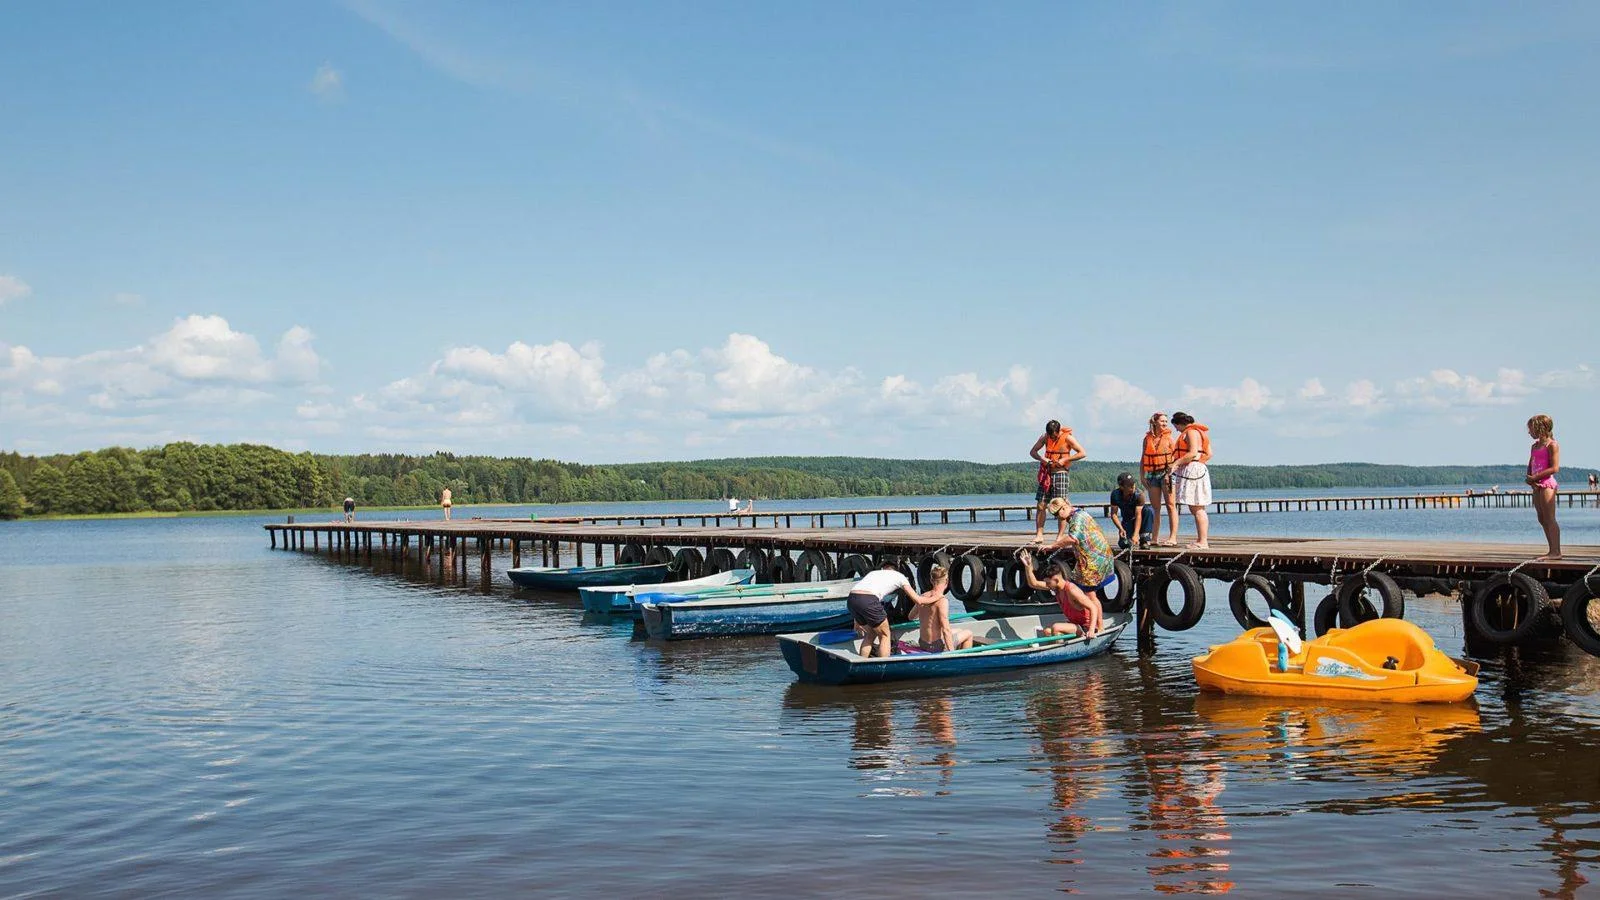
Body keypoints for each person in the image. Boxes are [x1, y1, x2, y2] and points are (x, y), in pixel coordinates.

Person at [1018, 498, 1109, 638]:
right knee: (1049, 631)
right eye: (1054, 516)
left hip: (1095, 558)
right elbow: (1033, 583)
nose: (1057, 518)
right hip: (1085, 559)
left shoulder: (1078, 518)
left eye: (1057, 514)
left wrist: (1053, 546)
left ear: (1065, 507)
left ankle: (1099, 628)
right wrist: (1028, 566)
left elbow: (1073, 538)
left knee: (1091, 595)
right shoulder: (1056, 586)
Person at [848, 560, 944, 658]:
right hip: (868, 601)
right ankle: (883, 667)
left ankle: (861, 662)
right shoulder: (900, 577)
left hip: (851, 599)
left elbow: (860, 595)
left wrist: (857, 621)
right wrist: (937, 597)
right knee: (885, 635)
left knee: (871, 633)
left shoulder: (874, 573)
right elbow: (918, 600)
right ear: (896, 571)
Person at [1030, 419, 1086, 543]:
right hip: (1047, 474)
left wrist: (1065, 460)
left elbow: (1082, 453)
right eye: (1050, 435)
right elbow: (1033, 452)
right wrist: (1042, 459)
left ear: (1058, 431)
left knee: (1061, 506)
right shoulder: (1045, 437)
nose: (1052, 438)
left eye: (1054, 435)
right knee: (1041, 504)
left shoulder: (1068, 438)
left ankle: (1060, 536)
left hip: (1061, 473)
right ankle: (1039, 535)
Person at [1169, 412, 1212, 549]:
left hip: (1193, 470)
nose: (1176, 430)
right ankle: (1201, 540)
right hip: (1198, 468)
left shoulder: (1191, 432)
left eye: (1176, 426)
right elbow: (1209, 454)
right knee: (1197, 507)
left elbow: (1193, 453)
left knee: (1197, 507)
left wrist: (1176, 464)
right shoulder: (1199, 432)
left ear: (1179, 423)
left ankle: (1202, 541)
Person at [912, 565, 974, 652]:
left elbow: (911, 616)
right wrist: (951, 652)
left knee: (959, 630)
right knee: (968, 633)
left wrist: (924, 611)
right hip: (935, 647)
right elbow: (946, 629)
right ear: (947, 581)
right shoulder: (942, 601)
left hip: (923, 643)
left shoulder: (923, 597)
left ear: (931, 580)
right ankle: (962, 660)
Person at [1526, 414, 1561, 560]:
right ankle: (1550, 549)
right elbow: (1531, 463)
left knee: (1549, 518)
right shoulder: (1534, 446)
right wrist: (1530, 477)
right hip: (1536, 485)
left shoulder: (1552, 445)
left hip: (1547, 484)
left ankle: (1556, 551)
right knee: (1541, 518)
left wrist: (1536, 477)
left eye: (1531, 429)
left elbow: (1554, 468)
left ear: (1540, 428)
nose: (1529, 432)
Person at [1141, 412, 1179, 546]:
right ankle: (1154, 538)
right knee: (1155, 507)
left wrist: (1170, 472)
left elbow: (1176, 457)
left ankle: (1172, 537)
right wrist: (1142, 476)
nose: (1165, 424)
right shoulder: (1147, 439)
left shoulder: (1169, 439)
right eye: (1162, 421)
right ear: (1155, 422)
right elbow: (1142, 458)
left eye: (1166, 422)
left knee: (1170, 505)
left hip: (1166, 474)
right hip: (1152, 475)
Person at [1108, 472, 1154, 550]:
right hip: (1127, 521)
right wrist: (1120, 529)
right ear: (1121, 487)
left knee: (1148, 510)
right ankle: (1128, 538)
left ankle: (1144, 540)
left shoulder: (1139, 494)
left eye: (1133, 483)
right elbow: (1113, 514)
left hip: (1139, 520)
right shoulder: (1115, 495)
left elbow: (1138, 515)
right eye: (1129, 485)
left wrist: (1136, 534)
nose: (1133, 486)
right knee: (1124, 544)